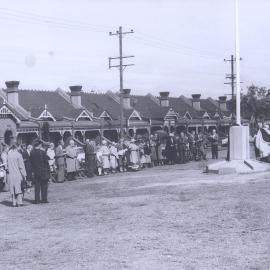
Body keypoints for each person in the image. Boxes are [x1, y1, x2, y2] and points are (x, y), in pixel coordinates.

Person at [30, 139, 50, 204]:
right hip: (43, 171)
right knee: (44, 186)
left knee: (37, 186)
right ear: (40, 145)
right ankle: (44, 199)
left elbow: (31, 163)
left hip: (36, 172)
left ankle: (37, 200)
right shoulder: (42, 152)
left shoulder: (32, 152)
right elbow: (47, 160)